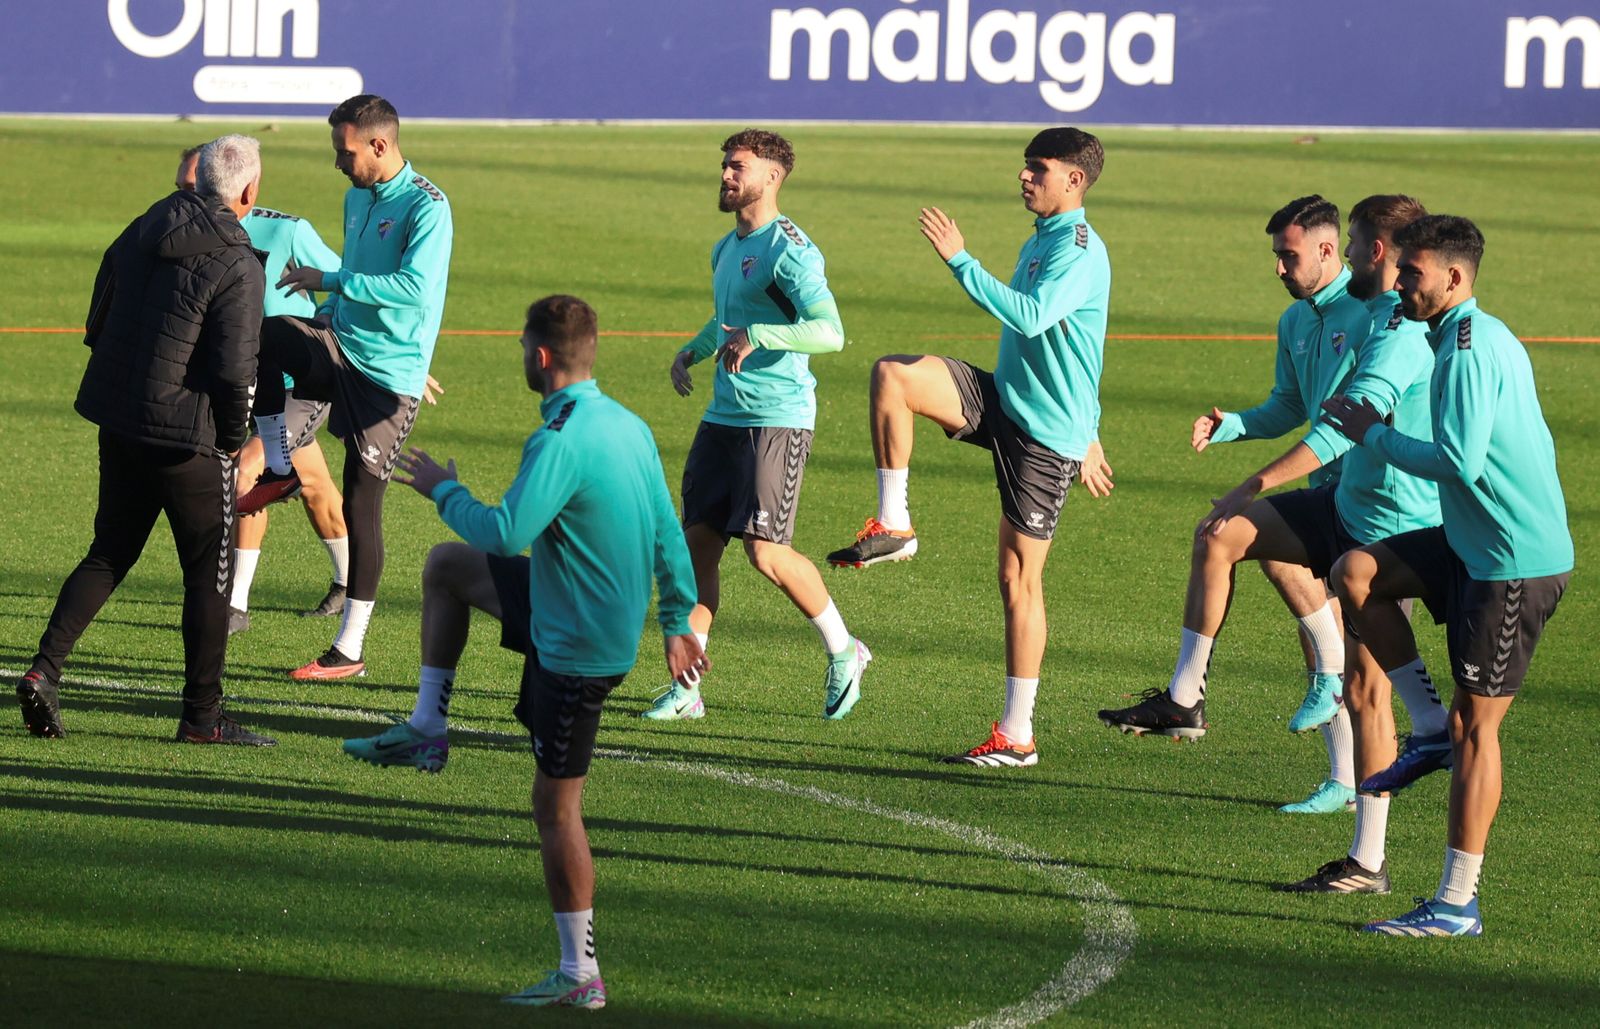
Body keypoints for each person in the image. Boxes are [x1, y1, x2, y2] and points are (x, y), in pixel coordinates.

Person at [385, 295, 706, 1006]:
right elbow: (667, 529)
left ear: (539, 355)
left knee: (556, 809)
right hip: (577, 604)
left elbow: (505, 531)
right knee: (448, 567)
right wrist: (676, 618)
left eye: (521, 348)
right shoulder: (628, 424)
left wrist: (444, 489)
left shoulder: (559, 440)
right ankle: (427, 729)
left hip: (579, 644)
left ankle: (580, 974)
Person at [823, 127, 1112, 766]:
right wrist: (1092, 426)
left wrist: (961, 260)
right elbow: (1082, 345)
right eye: (1025, 165)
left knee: (1018, 581)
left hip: (1044, 437)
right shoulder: (1045, 236)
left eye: (1038, 168)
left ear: (1075, 180)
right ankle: (895, 525)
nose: (1024, 176)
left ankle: (1017, 734)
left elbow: (1031, 317)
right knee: (893, 376)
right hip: (1006, 398)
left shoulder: (1080, 250)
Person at [1322, 215, 1572, 937]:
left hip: (1510, 562)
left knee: (1477, 729)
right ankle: (1425, 725)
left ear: (1454, 278)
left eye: (1413, 272)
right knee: (1354, 573)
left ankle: (1457, 902)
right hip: (1470, 541)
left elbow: (1457, 461)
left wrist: (1371, 433)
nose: (1400, 282)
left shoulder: (1467, 348)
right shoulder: (1461, 334)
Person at [1097, 196, 1373, 804]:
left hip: (1377, 505)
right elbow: (1291, 405)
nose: (1278, 268)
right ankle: (1334, 776)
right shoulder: (1296, 321)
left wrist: (1257, 482)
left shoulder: (1371, 314)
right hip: (1326, 492)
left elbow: (1349, 423)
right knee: (1245, 551)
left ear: (1328, 250)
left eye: (1288, 256)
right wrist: (1233, 426)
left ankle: (1370, 793)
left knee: (1363, 663)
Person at [14, 135, 274, 746]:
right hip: (186, 439)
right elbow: (236, 370)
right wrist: (231, 442)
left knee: (109, 552)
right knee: (207, 576)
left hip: (121, 419)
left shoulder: (145, 224)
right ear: (249, 191)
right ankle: (202, 719)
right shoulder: (238, 261)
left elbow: (99, 307)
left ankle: (43, 669)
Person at [643, 128, 869, 722]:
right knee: (696, 550)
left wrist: (760, 335)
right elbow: (728, 319)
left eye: (737, 166)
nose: (725, 174)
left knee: (766, 553)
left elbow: (830, 331)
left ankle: (844, 650)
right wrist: (692, 351)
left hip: (777, 419)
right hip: (722, 417)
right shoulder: (726, 247)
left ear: (771, 176)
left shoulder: (789, 250)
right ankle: (687, 689)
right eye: (724, 164)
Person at [238, 94, 453, 681]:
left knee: (361, 505)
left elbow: (414, 288)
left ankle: (349, 648)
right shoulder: (357, 196)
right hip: (341, 347)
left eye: (346, 151)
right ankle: (280, 467)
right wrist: (329, 312)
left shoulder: (428, 207)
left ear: (379, 145)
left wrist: (330, 281)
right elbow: (360, 277)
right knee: (269, 334)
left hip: (387, 378)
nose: (338, 163)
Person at [174, 146, 352, 633]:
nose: (189, 198)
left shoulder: (286, 231)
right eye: (182, 189)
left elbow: (348, 284)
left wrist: (385, 353)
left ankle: (233, 605)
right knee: (313, 483)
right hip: (239, 384)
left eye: (194, 188)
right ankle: (349, 579)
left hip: (299, 385)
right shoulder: (187, 235)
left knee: (247, 469)